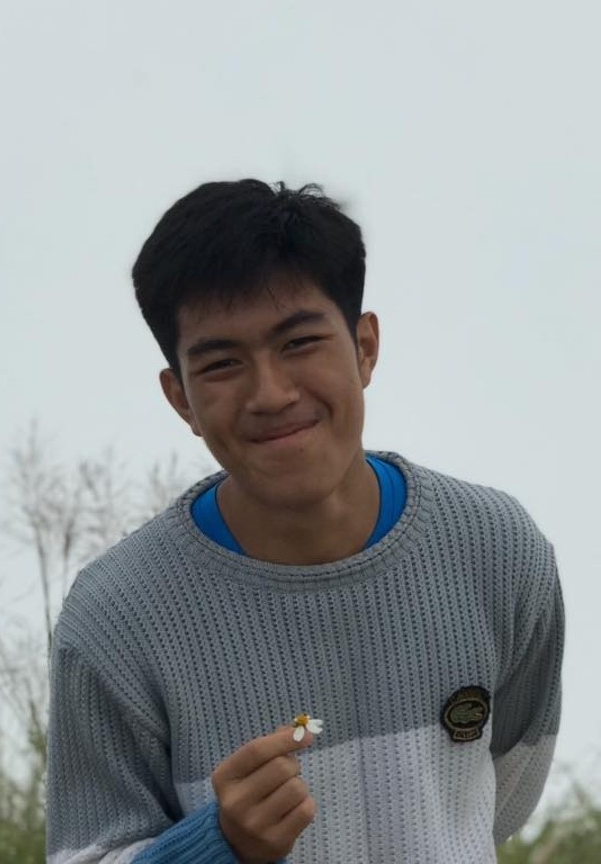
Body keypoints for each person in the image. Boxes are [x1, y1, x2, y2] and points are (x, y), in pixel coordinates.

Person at [46, 179, 564, 863]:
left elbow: (492, 801)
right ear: (181, 399)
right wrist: (220, 845)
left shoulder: (496, 550)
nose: (271, 393)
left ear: (365, 347)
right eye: (222, 363)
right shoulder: (118, 616)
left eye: (299, 342)